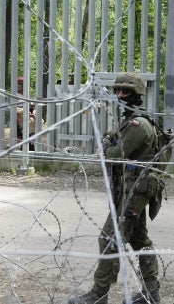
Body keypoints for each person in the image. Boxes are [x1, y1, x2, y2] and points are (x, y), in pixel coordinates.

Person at [68, 72, 164, 304]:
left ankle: (98, 294)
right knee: (140, 242)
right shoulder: (133, 122)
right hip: (132, 189)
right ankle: (151, 294)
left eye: (126, 92)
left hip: (134, 192)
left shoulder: (138, 125)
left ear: (137, 94)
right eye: (118, 91)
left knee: (110, 239)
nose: (120, 95)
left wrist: (106, 143)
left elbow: (113, 156)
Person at [16, 76, 36, 151]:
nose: (19, 86)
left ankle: (30, 146)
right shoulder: (15, 95)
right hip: (19, 117)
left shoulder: (26, 94)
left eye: (21, 84)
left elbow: (31, 106)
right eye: (18, 84)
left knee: (29, 130)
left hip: (28, 118)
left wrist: (31, 111)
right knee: (22, 132)